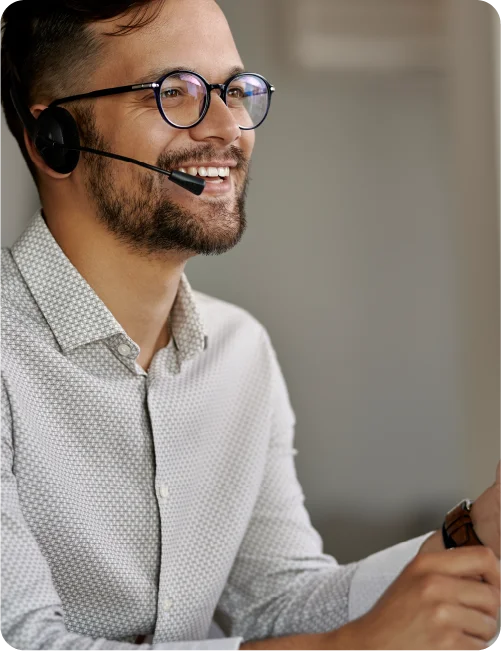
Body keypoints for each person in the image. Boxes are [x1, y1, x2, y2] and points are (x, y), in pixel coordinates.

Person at [0, 1, 501, 650]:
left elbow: (277, 603)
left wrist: (477, 534)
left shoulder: (240, 354)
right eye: (173, 91)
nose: (227, 126)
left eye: (234, 90)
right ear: (54, 137)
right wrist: (345, 649)